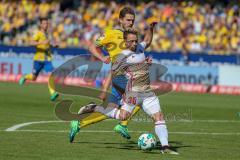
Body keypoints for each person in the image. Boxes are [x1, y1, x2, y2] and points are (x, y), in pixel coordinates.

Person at [79, 28, 178, 155]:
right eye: (131, 41)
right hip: (133, 93)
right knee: (123, 116)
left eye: (136, 41)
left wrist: (151, 28)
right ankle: (95, 108)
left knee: (158, 117)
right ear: (125, 42)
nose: (135, 43)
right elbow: (114, 72)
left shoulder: (140, 48)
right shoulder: (121, 56)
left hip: (147, 92)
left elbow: (147, 40)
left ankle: (165, 147)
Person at [69, 7, 142, 142]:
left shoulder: (133, 37)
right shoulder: (111, 34)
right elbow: (92, 46)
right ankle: (122, 125)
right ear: (120, 20)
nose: (131, 23)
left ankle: (79, 124)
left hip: (122, 76)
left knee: (111, 110)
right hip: (120, 77)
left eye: (133, 20)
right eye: (128, 20)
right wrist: (102, 58)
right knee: (141, 97)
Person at [18, 17, 59, 101]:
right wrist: (41, 42)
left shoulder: (47, 34)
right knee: (33, 77)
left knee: (51, 74)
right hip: (38, 59)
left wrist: (53, 45)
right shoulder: (38, 33)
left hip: (47, 59)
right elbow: (31, 43)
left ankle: (53, 93)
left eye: (47, 23)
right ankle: (25, 77)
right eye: (44, 23)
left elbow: (47, 45)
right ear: (40, 25)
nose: (46, 25)